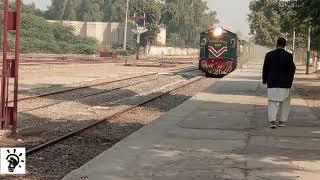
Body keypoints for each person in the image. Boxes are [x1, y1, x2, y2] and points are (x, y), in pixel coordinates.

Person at [262, 38, 296, 129]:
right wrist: (290, 81)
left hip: (272, 83)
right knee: (285, 103)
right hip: (285, 84)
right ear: (285, 45)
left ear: (276, 44)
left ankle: (272, 121)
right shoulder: (289, 56)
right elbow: (292, 69)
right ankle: (282, 121)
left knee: (272, 102)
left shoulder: (269, 55)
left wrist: (265, 80)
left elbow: (265, 68)